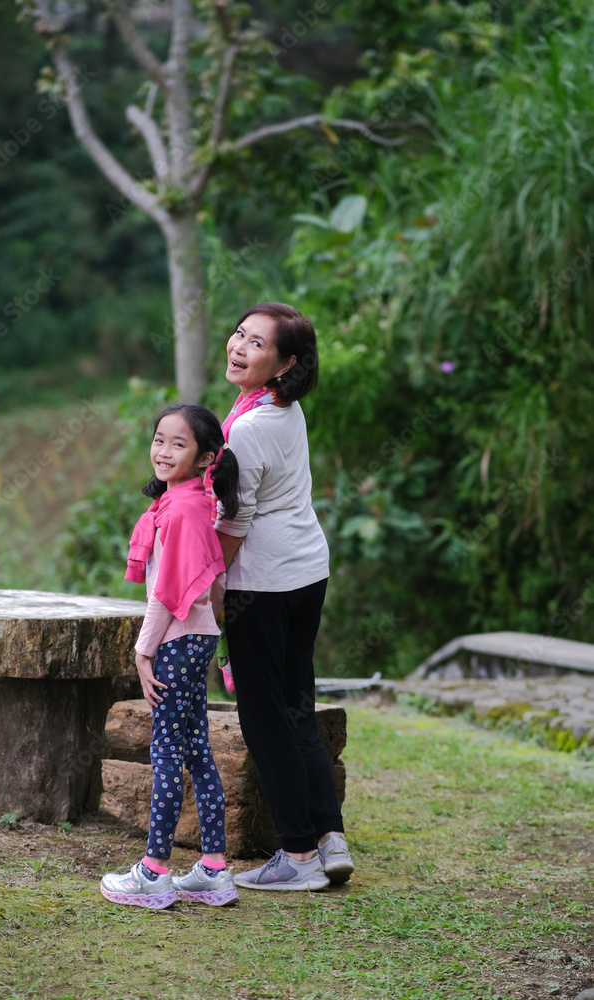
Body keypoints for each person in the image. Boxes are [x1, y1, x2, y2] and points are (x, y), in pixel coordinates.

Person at [212, 302, 354, 891]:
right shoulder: (281, 407)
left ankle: (296, 858)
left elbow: (235, 518)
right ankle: (328, 837)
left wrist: (207, 586)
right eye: (239, 333)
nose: (239, 346)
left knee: (267, 720)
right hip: (306, 571)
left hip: (264, 582)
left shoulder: (248, 426)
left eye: (257, 343)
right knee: (297, 707)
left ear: (285, 362)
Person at [100, 404, 240, 909]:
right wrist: (210, 628)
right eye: (159, 439)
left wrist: (143, 651)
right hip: (196, 637)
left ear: (206, 457)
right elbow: (218, 580)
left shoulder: (179, 511)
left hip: (176, 641)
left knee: (166, 752)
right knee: (197, 751)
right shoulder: (197, 505)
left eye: (178, 444)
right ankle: (214, 870)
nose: (163, 451)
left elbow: (164, 593)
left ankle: (155, 872)